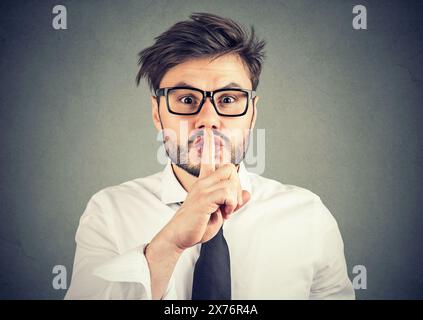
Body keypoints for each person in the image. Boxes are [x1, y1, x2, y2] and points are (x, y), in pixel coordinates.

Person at [65, 12, 355, 300]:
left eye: (228, 100)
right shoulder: (108, 212)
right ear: (157, 112)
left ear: (252, 112)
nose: (208, 119)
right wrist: (170, 242)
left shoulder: (309, 216)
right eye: (187, 99)